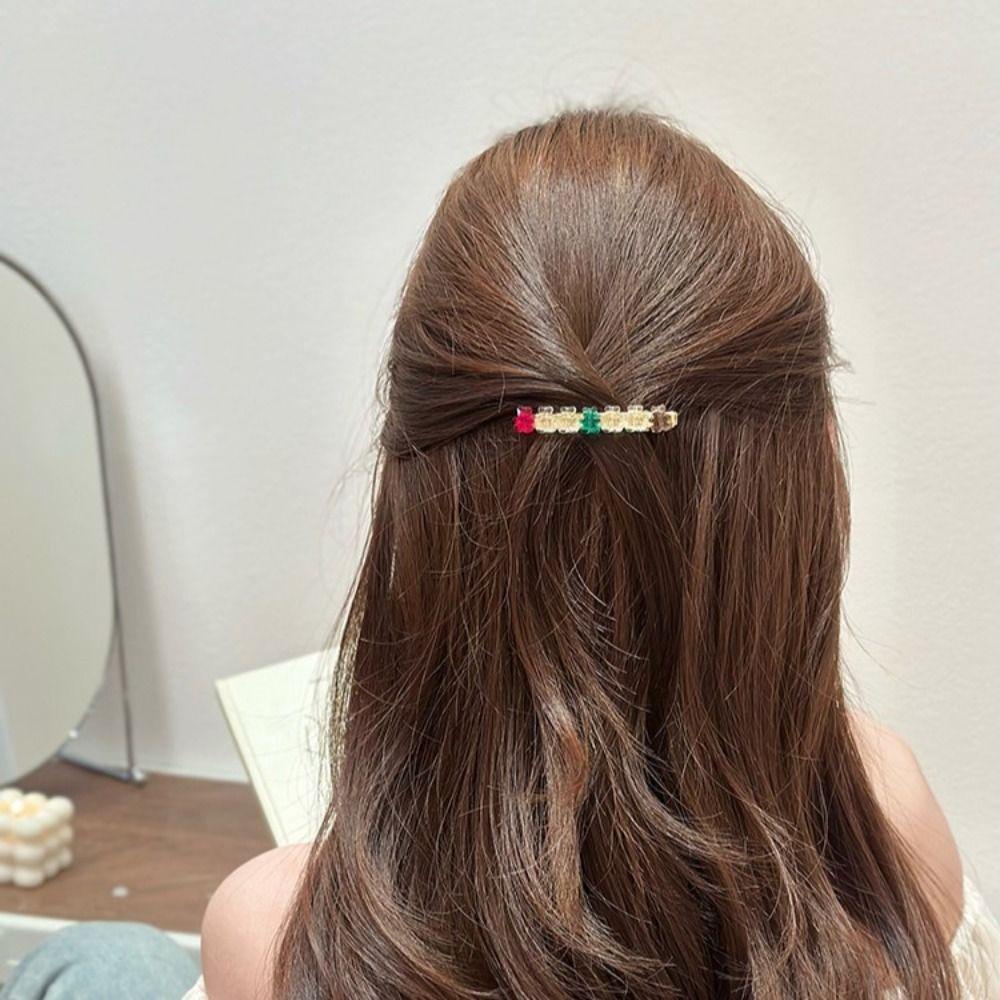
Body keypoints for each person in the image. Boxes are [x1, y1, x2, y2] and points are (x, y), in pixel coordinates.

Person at [14, 106, 995, 1000]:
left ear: (414, 494)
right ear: (804, 492)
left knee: (99, 960)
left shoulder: (279, 937)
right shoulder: (888, 844)